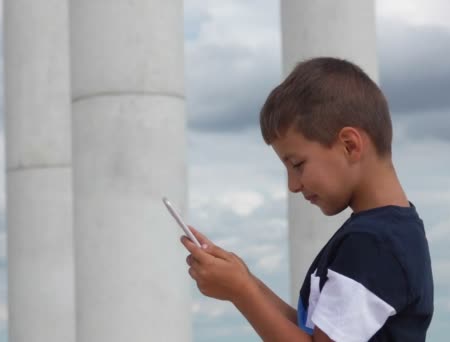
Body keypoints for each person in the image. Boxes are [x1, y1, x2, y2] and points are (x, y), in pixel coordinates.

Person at [181, 57, 434, 341]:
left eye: (298, 164)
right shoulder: (389, 233)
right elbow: (312, 332)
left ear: (349, 145)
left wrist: (242, 292)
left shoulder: (373, 245)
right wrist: (244, 279)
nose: (292, 185)